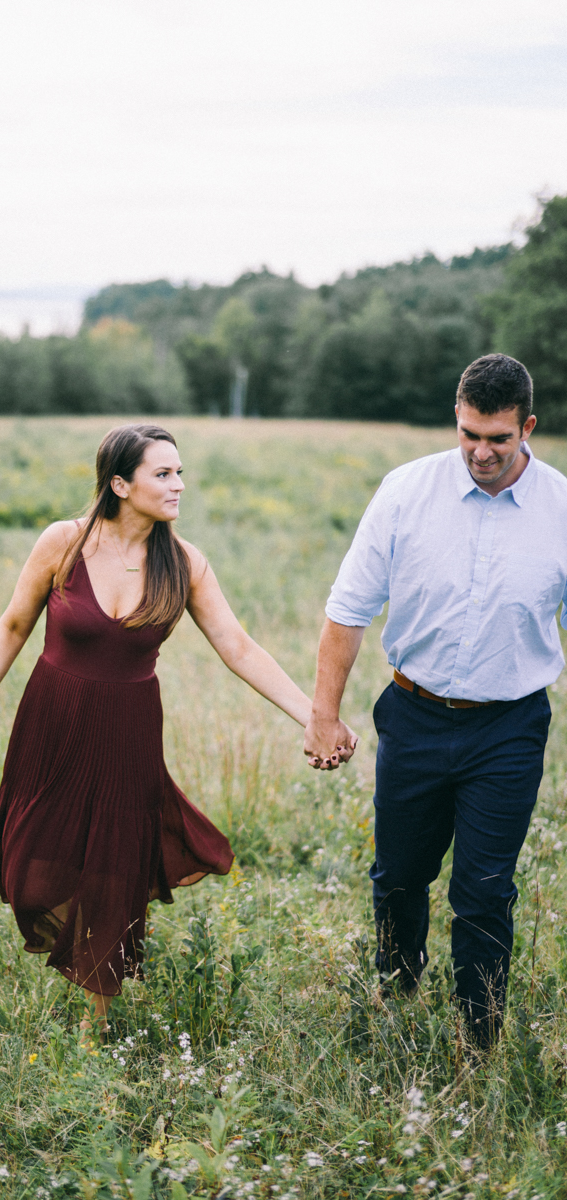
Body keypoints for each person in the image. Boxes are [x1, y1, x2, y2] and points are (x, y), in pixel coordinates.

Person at [0, 424, 358, 1031]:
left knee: (113, 870)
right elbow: (13, 626)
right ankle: (72, 955)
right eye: (163, 474)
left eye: (179, 472)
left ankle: (98, 1015)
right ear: (120, 484)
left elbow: (238, 647)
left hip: (128, 733)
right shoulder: (63, 543)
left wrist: (316, 717)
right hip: (53, 724)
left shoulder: (185, 562)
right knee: (32, 876)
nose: (179, 485)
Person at [303, 354, 567, 1049]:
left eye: (499, 439)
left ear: (527, 428)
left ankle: (478, 1037)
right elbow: (348, 610)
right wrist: (323, 715)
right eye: (469, 434)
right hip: (414, 715)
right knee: (399, 877)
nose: (481, 452)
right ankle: (396, 994)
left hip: (509, 726)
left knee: (484, 889)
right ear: (457, 418)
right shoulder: (404, 492)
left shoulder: (560, 508)